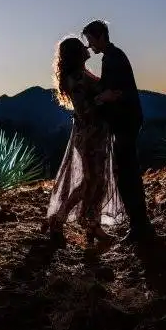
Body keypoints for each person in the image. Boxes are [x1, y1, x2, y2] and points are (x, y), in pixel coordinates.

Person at [43, 36, 124, 247]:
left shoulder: (81, 74)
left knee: (97, 181)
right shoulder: (75, 78)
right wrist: (103, 98)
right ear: (76, 53)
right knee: (91, 181)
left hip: (95, 134)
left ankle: (88, 223)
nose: (87, 47)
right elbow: (83, 110)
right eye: (82, 46)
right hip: (89, 135)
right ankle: (66, 220)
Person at [82, 20, 155, 244]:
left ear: (101, 36)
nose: (89, 46)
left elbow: (114, 93)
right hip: (126, 122)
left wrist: (99, 98)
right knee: (127, 172)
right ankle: (139, 224)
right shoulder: (112, 56)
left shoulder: (113, 58)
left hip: (125, 123)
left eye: (91, 40)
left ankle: (139, 227)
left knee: (127, 175)